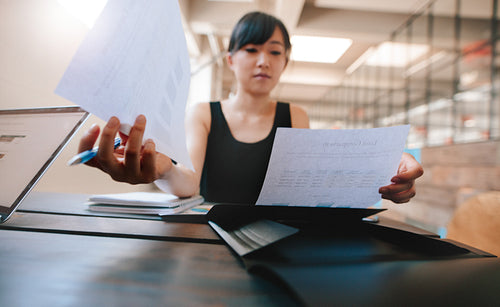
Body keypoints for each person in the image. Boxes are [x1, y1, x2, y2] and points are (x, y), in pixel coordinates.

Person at [78, 11, 423, 205]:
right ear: (230, 59)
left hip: (273, 241)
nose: (263, 61)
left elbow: (306, 188)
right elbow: (189, 183)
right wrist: (165, 169)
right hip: (207, 238)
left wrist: (382, 171)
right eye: (251, 49)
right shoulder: (204, 113)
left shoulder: (295, 115)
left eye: (275, 52)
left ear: (285, 62)